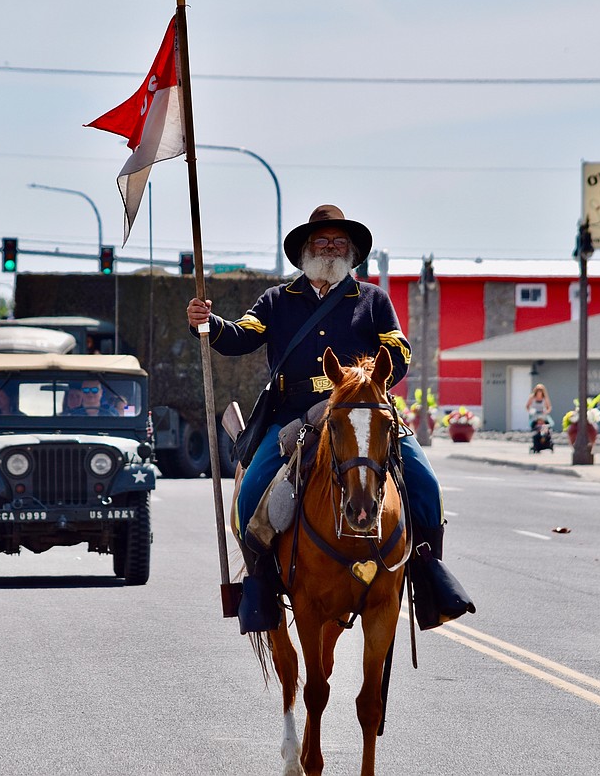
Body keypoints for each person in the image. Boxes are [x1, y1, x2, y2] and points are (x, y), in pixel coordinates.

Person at [186, 204, 471, 633]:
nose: (331, 248)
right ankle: (261, 585)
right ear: (305, 249)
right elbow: (242, 335)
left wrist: (369, 375)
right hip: (292, 415)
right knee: (250, 498)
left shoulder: (373, 299)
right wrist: (208, 324)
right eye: (322, 241)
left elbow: (400, 350)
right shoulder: (277, 300)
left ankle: (427, 576)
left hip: (362, 410)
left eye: (339, 242)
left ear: (351, 252)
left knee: (426, 486)